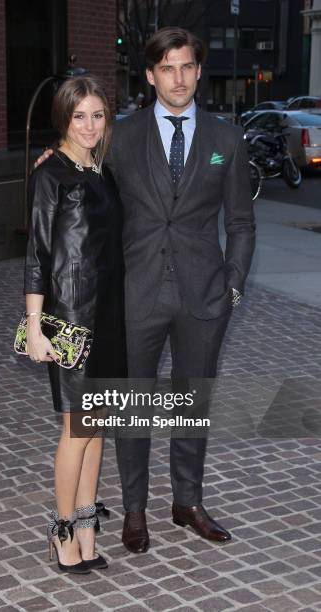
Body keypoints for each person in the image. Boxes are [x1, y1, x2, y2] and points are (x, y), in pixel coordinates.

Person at [36, 26, 255, 555]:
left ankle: (188, 502)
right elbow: (80, 165)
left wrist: (232, 287)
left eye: (187, 67)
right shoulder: (121, 135)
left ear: (199, 72)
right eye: (167, 68)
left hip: (204, 296)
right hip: (134, 296)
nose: (177, 78)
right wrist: (52, 159)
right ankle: (134, 510)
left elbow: (242, 223)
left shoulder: (227, 139)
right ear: (151, 75)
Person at [24, 75, 126, 573]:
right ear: (64, 118)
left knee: (98, 427)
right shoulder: (51, 175)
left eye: (98, 115)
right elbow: (38, 256)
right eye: (78, 115)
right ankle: (61, 532)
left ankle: (87, 526)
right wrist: (36, 326)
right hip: (70, 320)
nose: (88, 125)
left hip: (109, 317)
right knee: (75, 429)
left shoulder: (102, 172)